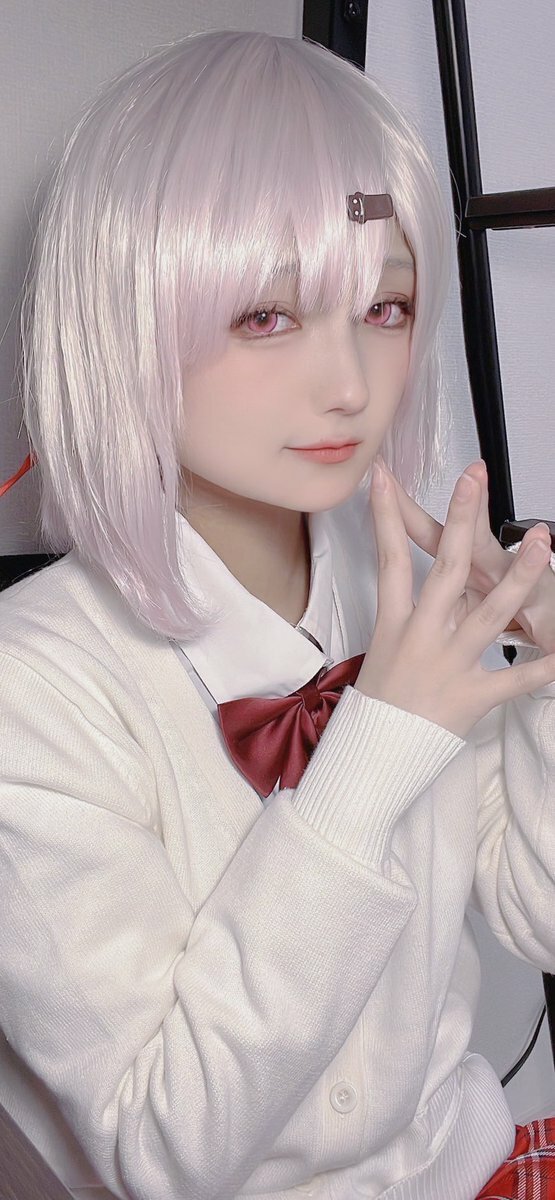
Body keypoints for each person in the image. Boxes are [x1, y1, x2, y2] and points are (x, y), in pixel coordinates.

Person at [0, 28, 554, 1200]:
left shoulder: (407, 590)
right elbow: (166, 1152)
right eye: (268, 317)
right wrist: (381, 744)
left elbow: (537, 917)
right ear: (126, 319)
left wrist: (548, 687)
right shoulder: (31, 688)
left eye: (386, 307)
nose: (350, 384)